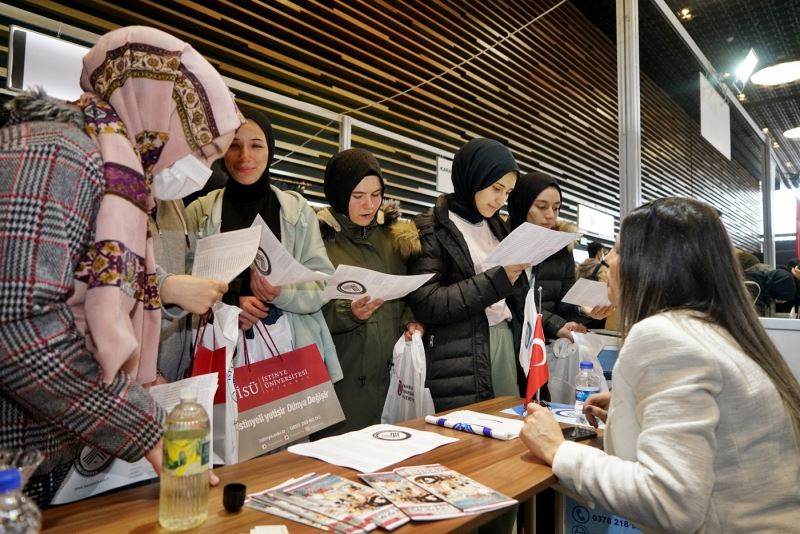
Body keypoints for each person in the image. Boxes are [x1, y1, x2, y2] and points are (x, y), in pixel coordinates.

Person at [0, 26, 241, 506]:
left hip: (42, 443)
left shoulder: (119, 177)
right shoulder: (59, 152)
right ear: (158, 116)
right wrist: (145, 427)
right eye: (203, 148)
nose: (203, 167)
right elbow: (19, 324)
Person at [520, 197, 800, 532]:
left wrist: (558, 450)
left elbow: (670, 503)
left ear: (655, 265)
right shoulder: (718, 330)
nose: (608, 259)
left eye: (620, 249)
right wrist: (635, 410)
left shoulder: (665, 336)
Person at [185, 105, 341, 381]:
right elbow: (183, 286)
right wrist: (230, 304)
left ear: (270, 151)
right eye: (234, 145)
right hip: (221, 354)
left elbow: (322, 285)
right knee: (225, 423)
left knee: (284, 423)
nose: (244, 156)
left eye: (256, 145)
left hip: (290, 352)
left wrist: (281, 293)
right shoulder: (199, 212)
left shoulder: (296, 212)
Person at [406, 138, 528, 412]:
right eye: (496, 188)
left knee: (508, 430)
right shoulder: (431, 227)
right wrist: (499, 280)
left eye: (508, 193)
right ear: (472, 176)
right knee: (469, 442)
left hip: (503, 341)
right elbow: (427, 301)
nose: (501, 200)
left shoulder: (498, 227)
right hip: (459, 355)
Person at [316, 148, 423, 434]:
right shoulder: (318, 239)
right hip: (342, 382)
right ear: (339, 194)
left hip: (391, 381)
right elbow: (302, 310)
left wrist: (410, 322)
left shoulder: (394, 239)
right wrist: (348, 312)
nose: (368, 205)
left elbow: (406, 296)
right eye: (358, 196)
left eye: (376, 195)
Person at [507, 172, 610, 342]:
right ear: (521, 205)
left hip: (543, 346)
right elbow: (513, 302)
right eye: (541, 206)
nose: (550, 215)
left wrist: (582, 310)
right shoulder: (500, 241)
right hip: (508, 342)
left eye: (556, 208)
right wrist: (555, 325)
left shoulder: (561, 248)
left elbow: (565, 304)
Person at [149, 200, 228, 382]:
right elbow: (114, 278)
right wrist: (150, 371)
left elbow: (191, 261)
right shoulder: (116, 195)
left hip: (179, 363)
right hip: (135, 373)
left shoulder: (174, 201)